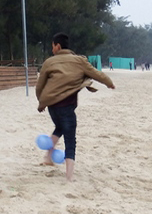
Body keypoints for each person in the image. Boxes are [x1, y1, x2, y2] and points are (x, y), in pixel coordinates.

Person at [36, 32, 115, 182]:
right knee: (70, 140)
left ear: (58, 46)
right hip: (67, 107)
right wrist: (109, 83)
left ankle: (48, 157)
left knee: (60, 127)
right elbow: (96, 74)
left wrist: (41, 102)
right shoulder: (79, 61)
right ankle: (69, 176)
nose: (52, 50)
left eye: (53, 46)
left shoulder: (49, 62)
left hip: (52, 107)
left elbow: (39, 86)